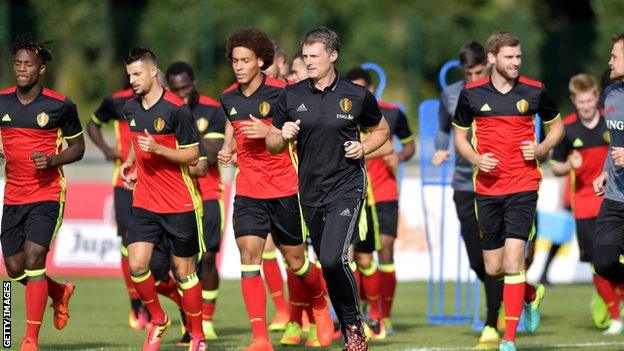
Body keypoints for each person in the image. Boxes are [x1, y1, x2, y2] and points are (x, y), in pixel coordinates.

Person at [267, 26, 390, 351]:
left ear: (333, 56)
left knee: (334, 259)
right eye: (304, 56)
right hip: (309, 192)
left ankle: (352, 324)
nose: (308, 62)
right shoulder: (291, 95)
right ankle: (348, 320)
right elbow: (271, 142)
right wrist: (284, 135)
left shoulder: (356, 95)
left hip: (346, 187)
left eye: (314, 56)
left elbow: (381, 130)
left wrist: (363, 148)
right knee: (326, 261)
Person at [217, 27, 333, 351]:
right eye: (235, 60)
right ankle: (260, 339)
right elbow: (236, 131)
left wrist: (270, 129)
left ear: (261, 61)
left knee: (296, 262)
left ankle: (320, 300)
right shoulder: (227, 98)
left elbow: (303, 132)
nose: (238, 66)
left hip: (285, 189)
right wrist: (229, 149)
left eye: (245, 60)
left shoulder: (285, 93)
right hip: (249, 191)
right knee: (249, 256)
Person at [452, 31, 563, 351]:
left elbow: (557, 128)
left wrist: (541, 148)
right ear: (492, 59)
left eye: (518, 57)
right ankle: (530, 293)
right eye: (509, 57)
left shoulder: (535, 90)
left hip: (524, 186)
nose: (516, 62)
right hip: (486, 189)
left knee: (514, 260)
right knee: (494, 268)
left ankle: (509, 340)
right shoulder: (471, 94)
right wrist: (476, 158)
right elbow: (460, 138)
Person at [0, 33, 85, 351]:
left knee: (35, 259)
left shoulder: (60, 105)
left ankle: (28, 341)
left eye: (28, 64)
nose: (21, 68)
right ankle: (58, 292)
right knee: (14, 268)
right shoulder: (2, 101)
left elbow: (78, 146)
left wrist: (52, 160)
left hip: (47, 194)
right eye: (18, 63)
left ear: (41, 69)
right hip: (13, 196)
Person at [119, 47, 205, 351]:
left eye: (137, 73)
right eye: (129, 74)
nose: (132, 80)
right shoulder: (130, 109)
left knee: (185, 273)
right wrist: (131, 164)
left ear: (154, 72)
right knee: (137, 265)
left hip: (179, 203)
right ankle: (158, 319)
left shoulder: (177, 109)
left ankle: (197, 335)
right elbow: (136, 145)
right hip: (145, 202)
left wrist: (159, 150)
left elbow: (193, 155)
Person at [432, 41, 503, 347]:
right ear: (462, 71)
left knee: (493, 255)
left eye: (479, 71)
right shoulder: (449, 94)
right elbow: (443, 129)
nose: (474, 78)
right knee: (477, 259)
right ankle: (519, 292)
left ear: (487, 66)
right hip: (463, 183)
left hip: (495, 182)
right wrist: (440, 149)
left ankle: (492, 321)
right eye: (469, 73)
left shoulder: (500, 90)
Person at [346, 66, 415, 338]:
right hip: (354, 193)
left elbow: (406, 145)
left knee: (385, 250)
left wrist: (398, 155)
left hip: (384, 192)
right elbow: (381, 145)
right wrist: (380, 148)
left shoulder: (393, 112)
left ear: (371, 89)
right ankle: (361, 312)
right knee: (357, 256)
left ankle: (382, 315)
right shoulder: (343, 112)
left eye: (362, 87)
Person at [551, 73, 618, 333]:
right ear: (573, 100)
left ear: (596, 98)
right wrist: (569, 164)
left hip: (613, 200)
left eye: (589, 101)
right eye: (580, 103)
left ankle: (616, 303)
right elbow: (555, 167)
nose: (586, 106)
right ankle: (615, 315)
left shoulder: (613, 124)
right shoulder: (567, 129)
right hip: (584, 206)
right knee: (597, 263)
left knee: (616, 259)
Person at [166, 61, 227, 341]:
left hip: (210, 193)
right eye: (176, 90)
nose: (182, 94)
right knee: (179, 264)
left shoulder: (212, 109)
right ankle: (188, 322)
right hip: (176, 196)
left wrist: (185, 122)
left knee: (208, 260)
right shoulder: (162, 109)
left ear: (194, 82)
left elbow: (212, 154)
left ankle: (209, 319)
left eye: (186, 88)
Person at [593, 32, 624, 328]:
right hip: (615, 195)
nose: (609, 61)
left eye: (614, 56)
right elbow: (613, 142)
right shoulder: (611, 94)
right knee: (602, 261)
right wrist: (604, 171)